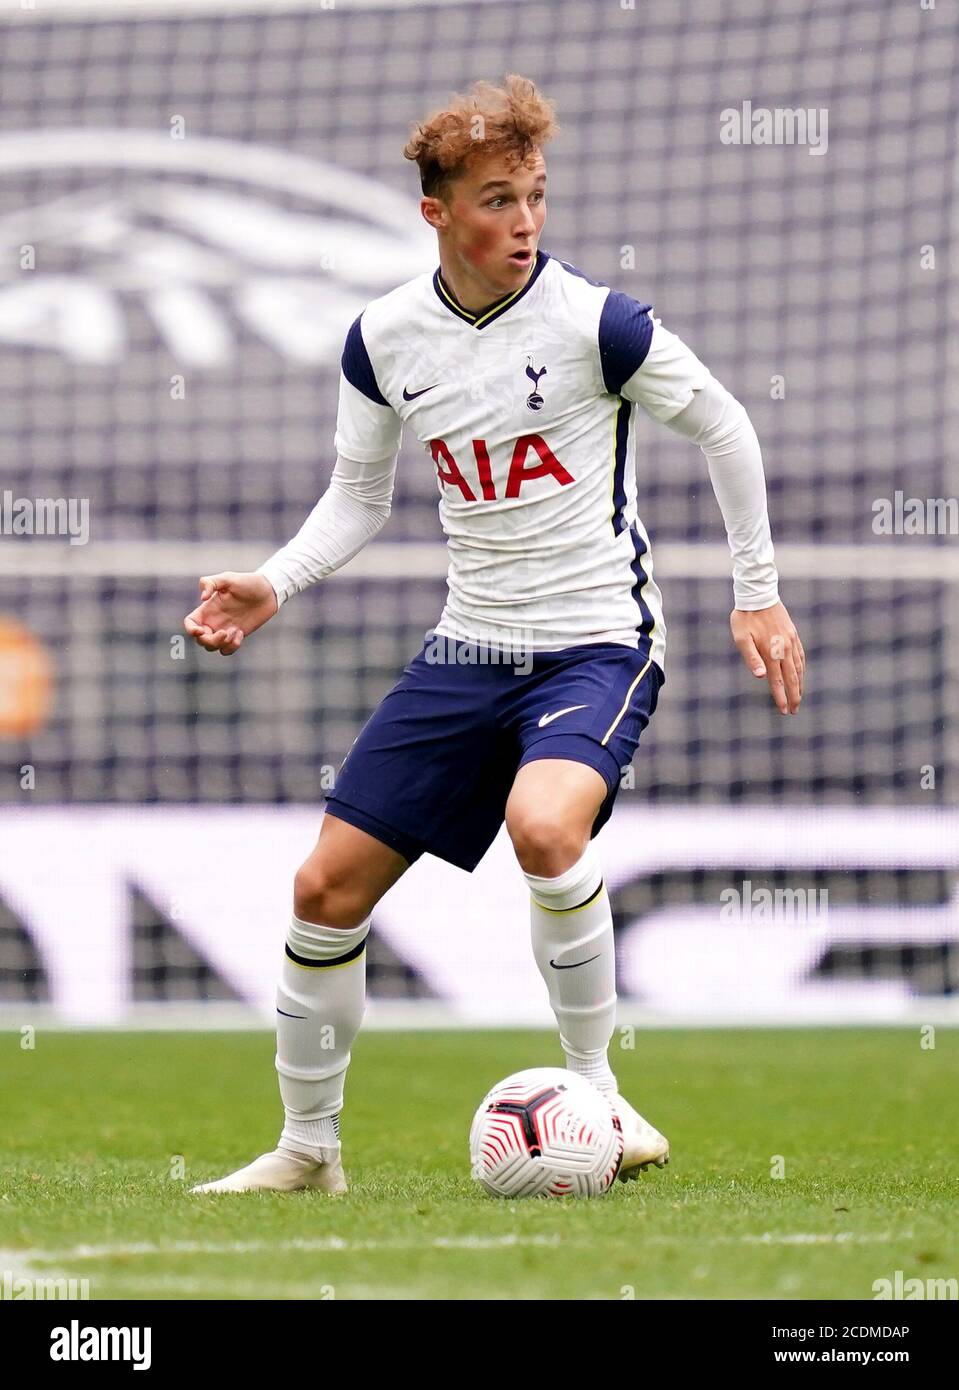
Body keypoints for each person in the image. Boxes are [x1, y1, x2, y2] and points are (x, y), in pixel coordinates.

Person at [183, 74, 804, 1195]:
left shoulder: (594, 323)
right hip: (469, 647)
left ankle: (597, 1097)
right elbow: (358, 496)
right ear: (435, 211)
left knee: (543, 827)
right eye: (495, 198)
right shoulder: (383, 339)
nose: (523, 221)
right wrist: (274, 583)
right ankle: (307, 1150)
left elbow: (722, 421)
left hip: (594, 643)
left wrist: (754, 589)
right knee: (324, 887)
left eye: (535, 195)